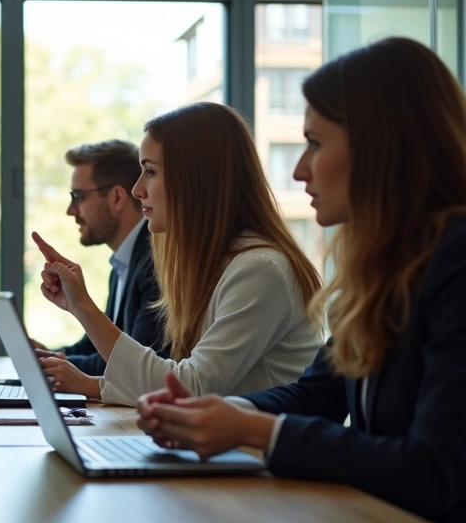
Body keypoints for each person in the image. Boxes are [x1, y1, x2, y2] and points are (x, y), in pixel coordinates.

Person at [136, 38, 466, 523]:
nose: (298, 169)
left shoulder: (456, 263)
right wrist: (220, 411)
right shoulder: (382, 270)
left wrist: (252, 428)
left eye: (315, 143)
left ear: (380, 146)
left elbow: (435, 471)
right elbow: (317, 397)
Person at [33, 102, 322, 405]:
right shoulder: (212, 265)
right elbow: (181, 378)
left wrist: (82, 306)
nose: (137, 189)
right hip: (226, 448)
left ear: (195, 177)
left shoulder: (260, 270)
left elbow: (189, 387)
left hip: (257, 452)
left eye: (150, 171)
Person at [35, 139, 164, 384]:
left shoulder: (154, 262)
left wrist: (50, 363)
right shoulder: (124, 262)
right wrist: (47, 355)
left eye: (78, 196)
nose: (70, 210)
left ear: (116, 198)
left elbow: (134, 364)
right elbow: (100, 343)